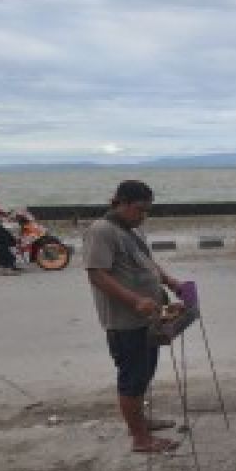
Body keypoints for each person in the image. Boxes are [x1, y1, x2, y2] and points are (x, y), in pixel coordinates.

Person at [83, 180, 182, 454]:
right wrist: (135, 300)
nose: (143, 216)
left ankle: (141, 423)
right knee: (132, 379)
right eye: (139, 209)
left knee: (144, 374)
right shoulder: (102, 231)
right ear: (121, 203)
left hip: (146, 320)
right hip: (125, 323)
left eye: (147, 210)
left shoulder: (129, 230)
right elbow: (96, 275)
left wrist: (172, 284)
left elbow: (149, 265)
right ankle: (140, 439)